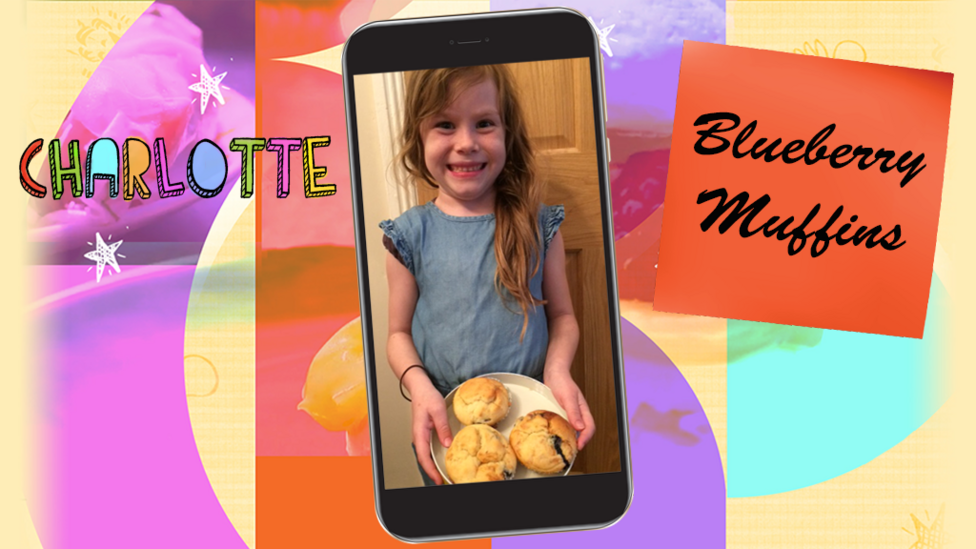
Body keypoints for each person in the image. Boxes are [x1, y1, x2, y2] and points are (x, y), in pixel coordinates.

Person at [380, 65, 595, 485]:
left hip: (531, 418)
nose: (466, 143)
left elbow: (563, 316)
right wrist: (418, 386)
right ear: (417, 137)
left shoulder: (539, 226)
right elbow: (398, 335)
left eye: (484, 123)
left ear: (507, 133)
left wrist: (558, 371)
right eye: (445, 124)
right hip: (446, 426)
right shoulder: (408, 236)